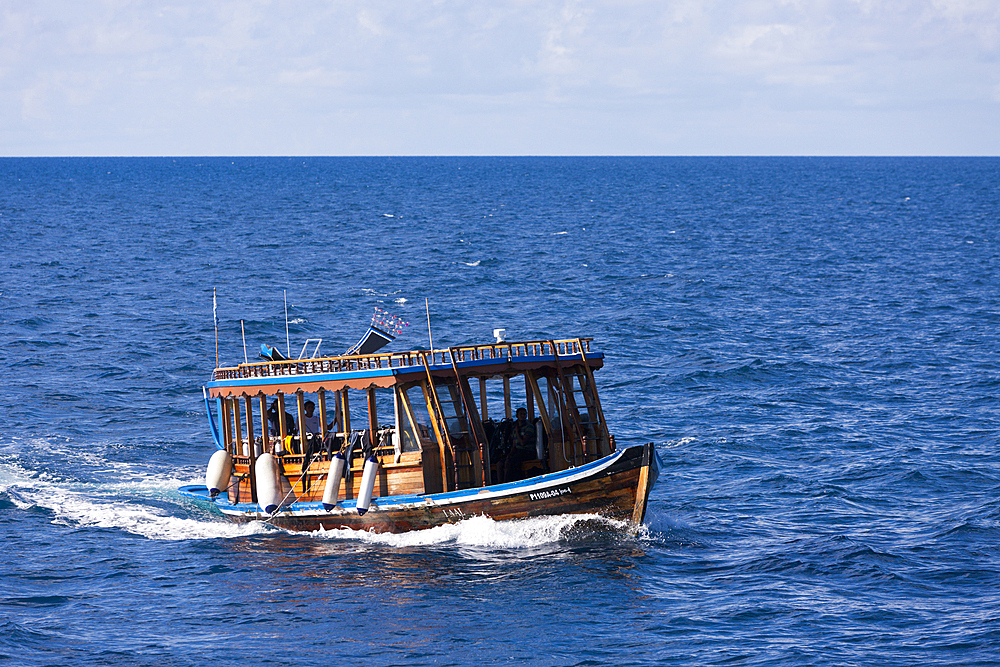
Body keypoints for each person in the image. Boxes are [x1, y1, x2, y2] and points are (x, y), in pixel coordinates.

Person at [503, 407, 536, 482]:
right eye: (521, 414)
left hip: (527, 451)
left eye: (524, 414)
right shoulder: (515, 427)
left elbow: (523, 443)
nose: (523, 416)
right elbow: (514, 445)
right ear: (517, 416)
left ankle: (509, 482)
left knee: (511, 462)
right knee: (501, 463)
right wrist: (510, 454)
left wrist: (517, 432)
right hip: (518, 451)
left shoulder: (529, 427)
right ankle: (500, 483)